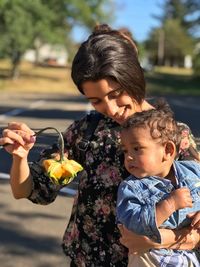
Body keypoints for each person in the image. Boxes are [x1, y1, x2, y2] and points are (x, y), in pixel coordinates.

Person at [0, 24, 200, 267]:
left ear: (132, 76)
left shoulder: (175, 136)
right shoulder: (86, 131)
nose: (111, 109)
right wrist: (20, 157)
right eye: (96, 101)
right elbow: (31, 191)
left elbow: (196, 226)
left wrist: (158, 240)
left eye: (116, 94)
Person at [117, 101, 200, 266]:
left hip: (185, 258)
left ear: (168, 150)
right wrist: (168, 205)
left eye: (137, 149)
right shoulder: (131, 187)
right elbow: (132, 225)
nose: (128, 157)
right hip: (148, 259)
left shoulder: (192, 172)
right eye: (125, 150)